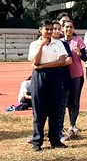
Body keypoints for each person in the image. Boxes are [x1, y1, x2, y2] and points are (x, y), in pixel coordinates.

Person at [28, 19, 70, 151]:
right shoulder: (34, 44)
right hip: (39, 77)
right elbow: (35, 61)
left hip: (55, 75)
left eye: (51, 29)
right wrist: (41, 45)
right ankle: (37, 141)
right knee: (39, 109)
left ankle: (55, 140)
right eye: (47, 29)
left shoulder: (59, 44)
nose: (50, 31)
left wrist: (42, 66)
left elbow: (61, 61)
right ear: (40, 30)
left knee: (55, 108)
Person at [61, 18, 87, 138]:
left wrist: (79, 53)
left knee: (75, 100)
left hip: (76, 74)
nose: (69, 29)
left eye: (71, 27)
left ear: (73, 29)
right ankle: (61, 125)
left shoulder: (78, 40)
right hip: (64, 75)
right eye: (66, 27)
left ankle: (72, 124)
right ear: (63, 29)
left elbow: (85, 58)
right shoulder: (59, 42)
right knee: (66, 101)